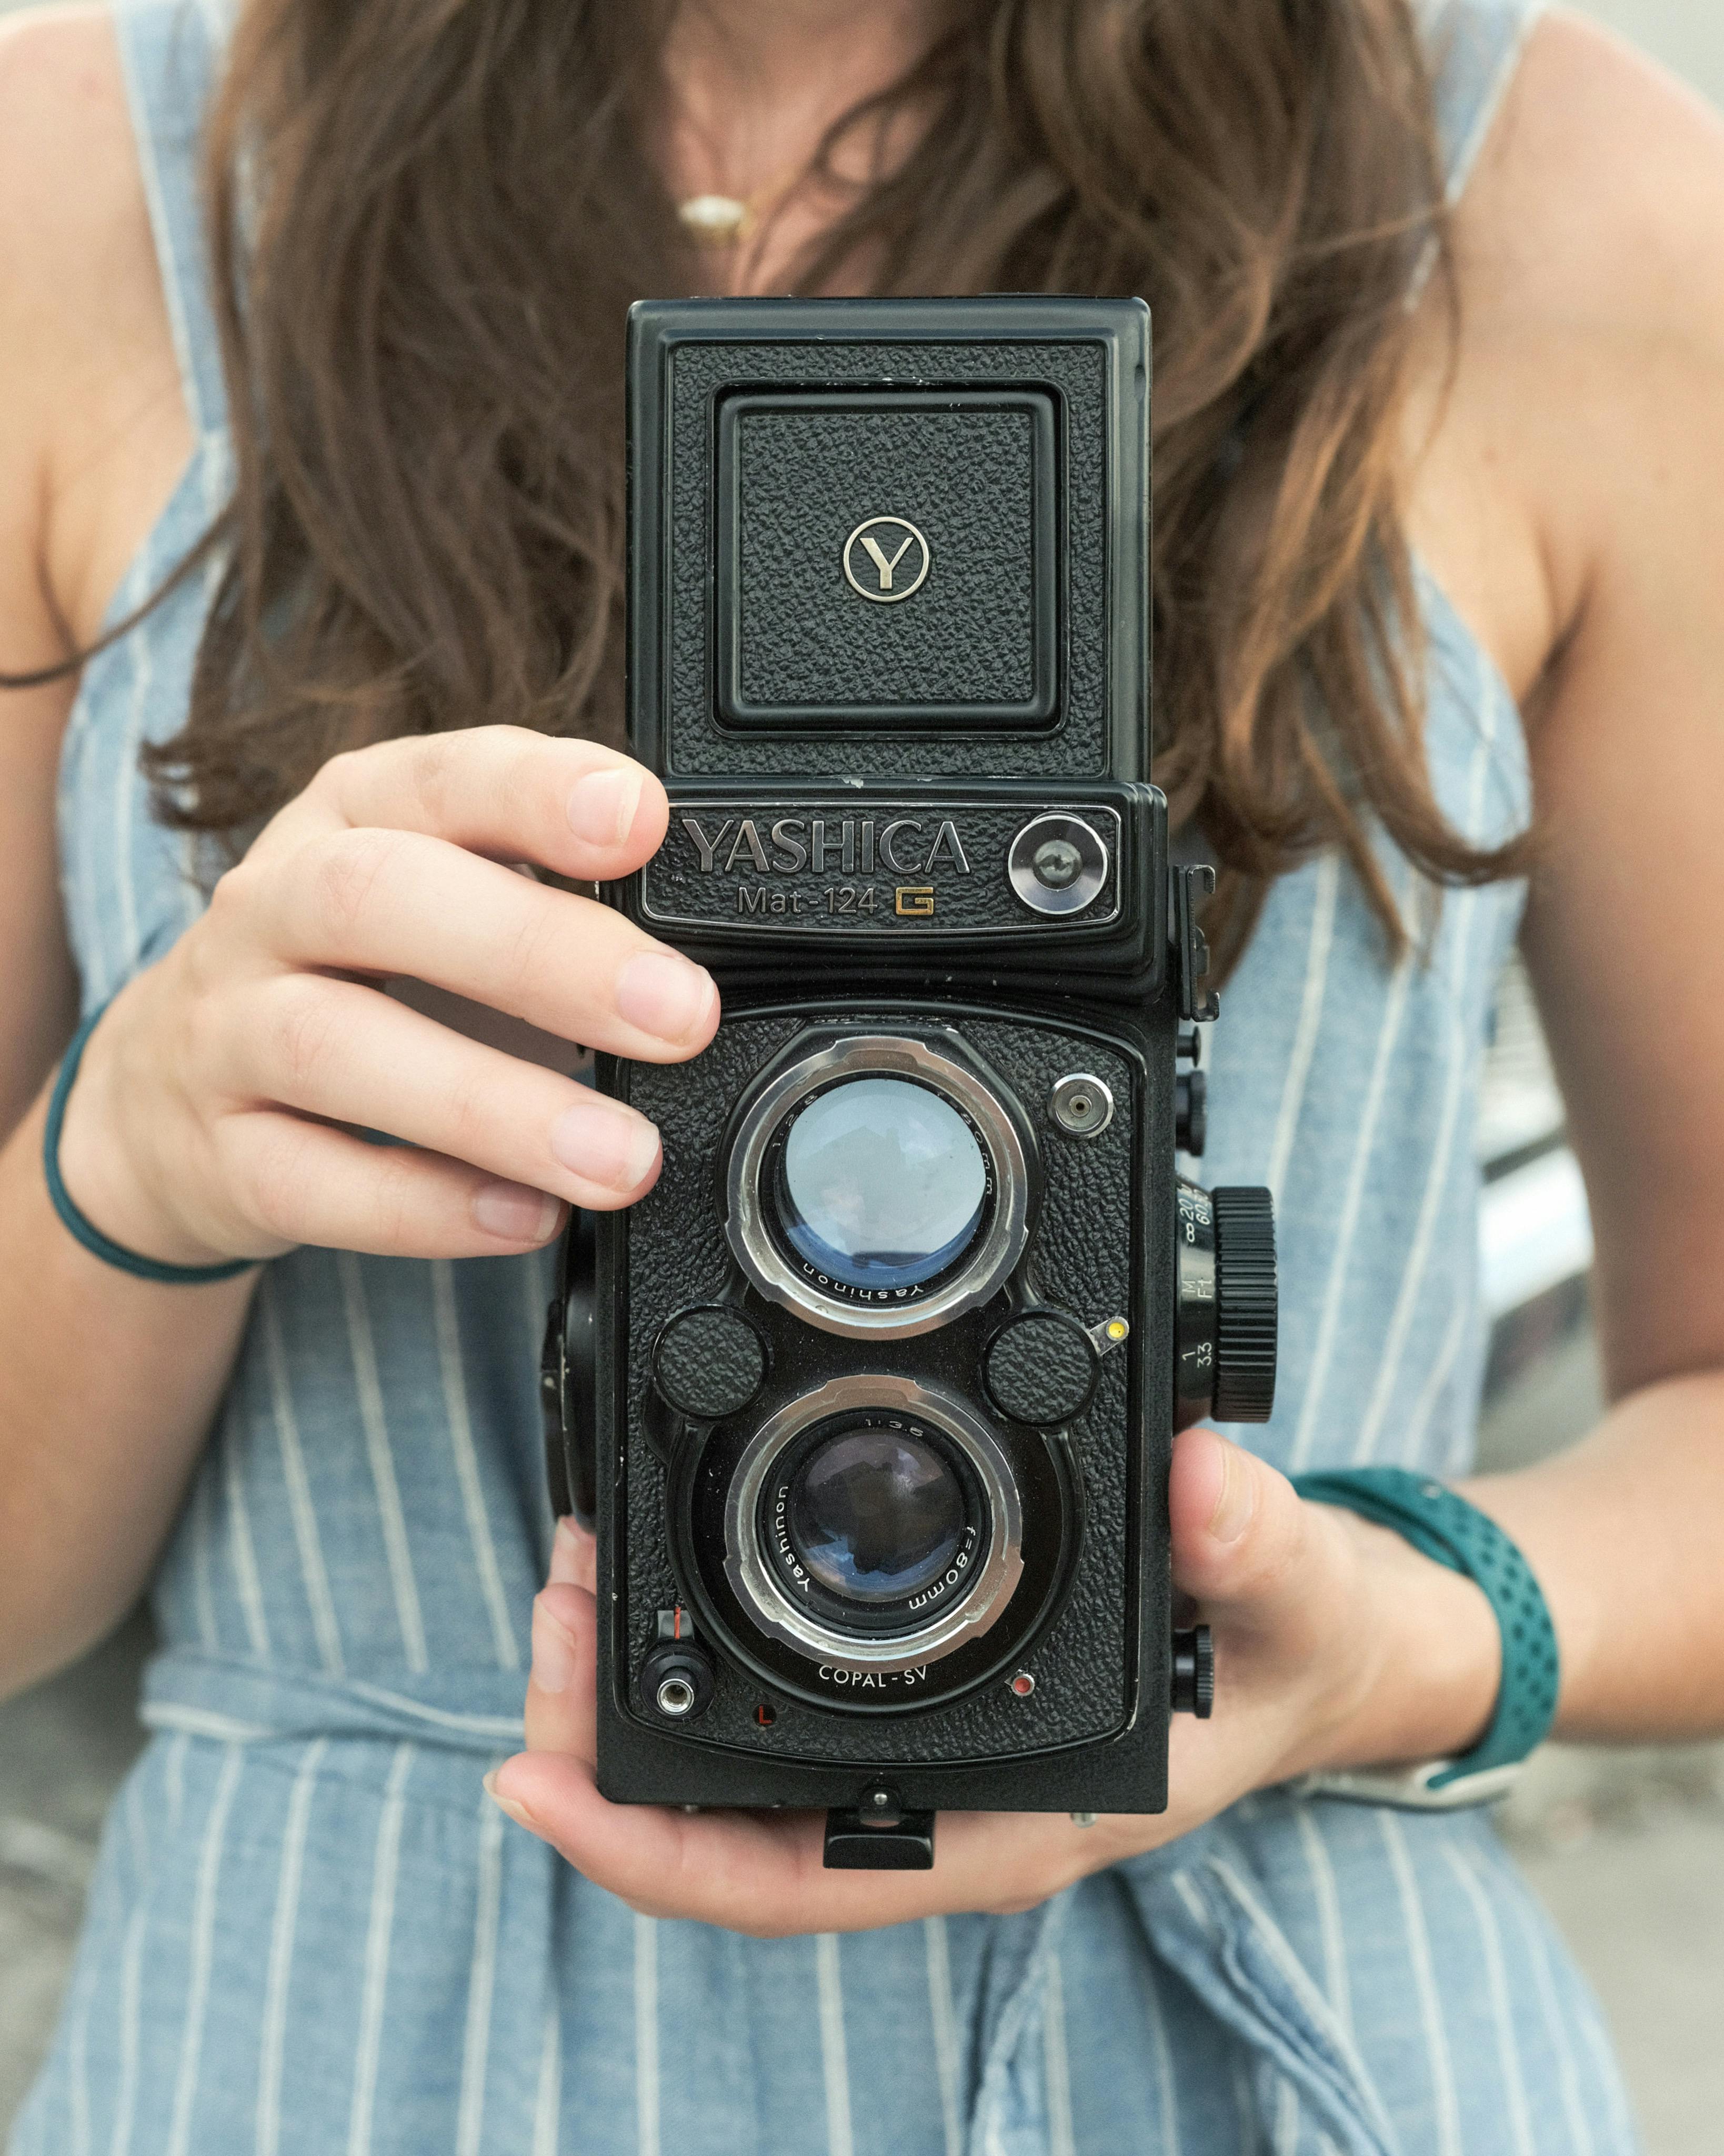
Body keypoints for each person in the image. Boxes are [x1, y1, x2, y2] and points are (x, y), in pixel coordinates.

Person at [3, 0, 1722, 2146]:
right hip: (341, 2039)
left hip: (1256, 2031)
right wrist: (132, 1162)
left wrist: (1403, 1632)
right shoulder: (81, 178)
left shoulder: (1569, 202)